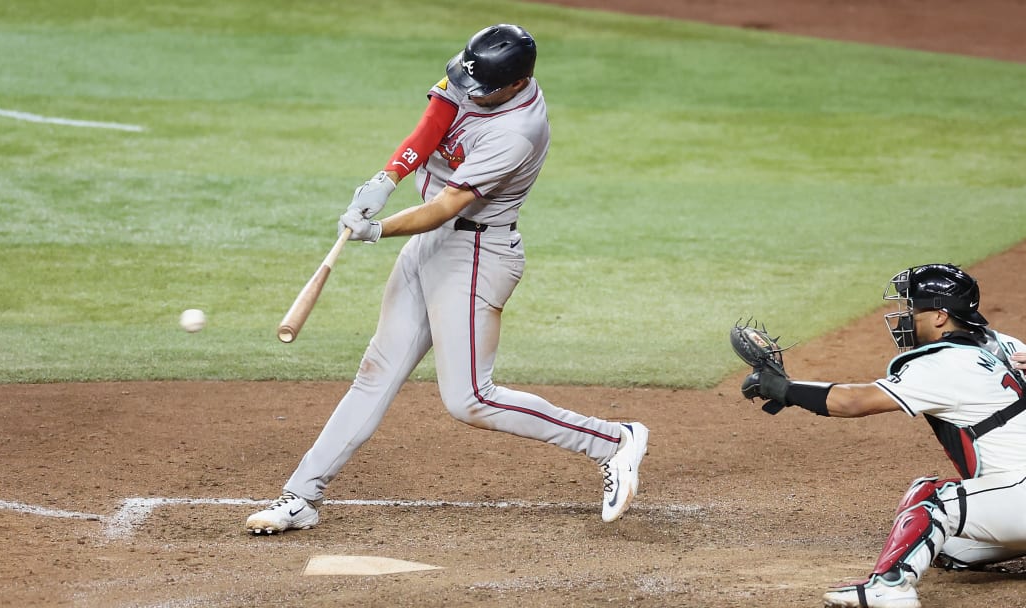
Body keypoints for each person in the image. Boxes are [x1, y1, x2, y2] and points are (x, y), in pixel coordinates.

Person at [246, 24, 649, 534]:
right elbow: (435, 118)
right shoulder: (477, 68)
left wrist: (376, 229)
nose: (469, 88)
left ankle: (613, 441)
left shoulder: (516, 133)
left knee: (470, 399)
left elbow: (443, 208)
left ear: (515, 83)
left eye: (482, 88)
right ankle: (302, 496)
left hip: (476, 253)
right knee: (376, 372)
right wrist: (387, 177)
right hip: (431, 246)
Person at [741, 263, 1026, 608]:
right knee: (945, 545)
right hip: (1016, 494)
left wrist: (785, 389)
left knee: (931, 501)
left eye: (913, 308)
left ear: (939, 316)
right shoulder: (1007, 345)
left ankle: (891, 587)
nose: (905, 317)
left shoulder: (946, 364)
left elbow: (853, 401)